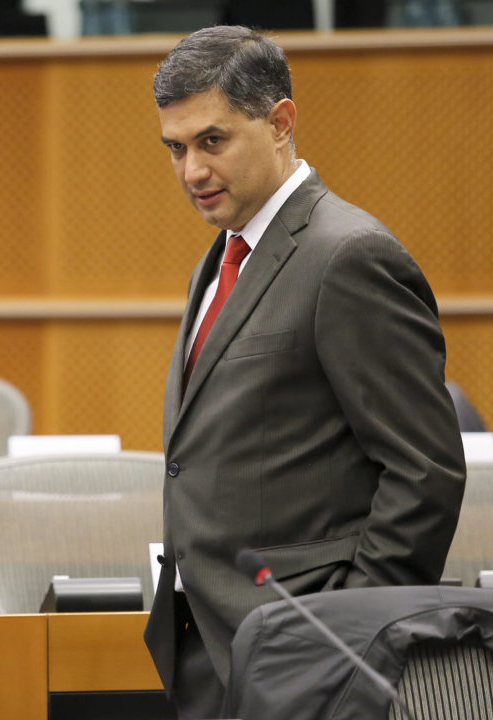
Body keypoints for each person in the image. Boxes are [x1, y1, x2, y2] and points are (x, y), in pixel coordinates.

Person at [142, 26, 466, 719]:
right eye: (176, 148)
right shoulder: (229, 252)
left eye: (212, 141)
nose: (191, 171)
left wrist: (345, 634)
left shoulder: (348, 255)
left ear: (280, 121)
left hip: (311, 658)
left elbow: (425, 471)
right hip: (212, 648)